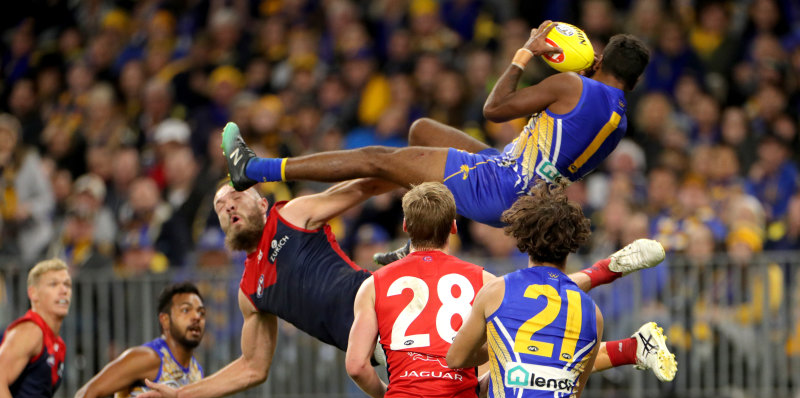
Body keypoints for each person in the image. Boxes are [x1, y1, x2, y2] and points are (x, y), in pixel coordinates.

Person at [127, 179, 670, 398]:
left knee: (518, 352)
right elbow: (252, 368)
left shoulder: (291, 214)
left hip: (387, 312)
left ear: (259, 194)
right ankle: (624, 334)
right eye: (220, 205)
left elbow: (363, 182)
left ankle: (603, 277)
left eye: (235, 195)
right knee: (521, 356)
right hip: (390, 326)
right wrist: (182, 395)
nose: (228, 207)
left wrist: (407, 170)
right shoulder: (251, 291)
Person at [220, 22, 650, 229]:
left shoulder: (574, 85)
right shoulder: (619, 121)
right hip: (516, 179)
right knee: (422, 130)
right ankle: (421, 233)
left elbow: (494, 109)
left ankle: (253, 169)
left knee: (378, 158)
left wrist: (524, 54)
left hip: (498, 183)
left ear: (600, 59)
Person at [447, 180, 604, 398]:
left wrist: (501, 348)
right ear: (572, 243)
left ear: (523, 238)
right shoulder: (593, 311)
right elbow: (572, 392)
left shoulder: (496, 290)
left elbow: (456, 358)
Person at [346, 182, 490, 398]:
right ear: (454, 227)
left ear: (406, 227)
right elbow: (512, 354)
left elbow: (356, 366)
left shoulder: (373, 285)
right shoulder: (486, 282)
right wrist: (480, 386)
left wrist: (390, 396)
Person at [64, 282, 206, 398]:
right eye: (185, 310)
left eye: (201, 312)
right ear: (165, 320)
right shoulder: (147, 357)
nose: (196, 317)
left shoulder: (197, 373)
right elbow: (86, 393)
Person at [0, 258, 71, 398]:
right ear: (33, 293)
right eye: (53, 284)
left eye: (67, 284)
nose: (63, 290)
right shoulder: (30, 331)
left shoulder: (57, 344)